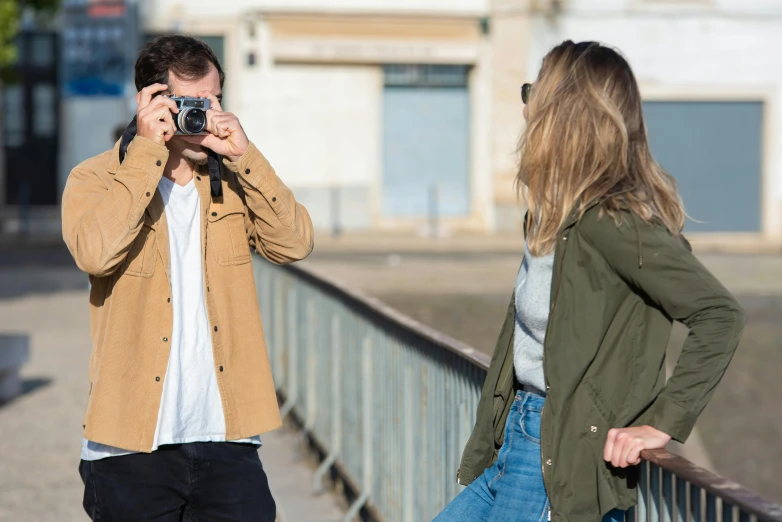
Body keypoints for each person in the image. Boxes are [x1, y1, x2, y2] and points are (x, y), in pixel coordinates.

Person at [434, 41, 745, 522]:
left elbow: (719, 314)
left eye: (533, 93)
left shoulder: (612, 222)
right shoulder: (550, 217)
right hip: (517, 439)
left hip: (557, 459)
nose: (524, 106)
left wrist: (660, 424)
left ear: (564, 114)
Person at [62, 35, 314, 521]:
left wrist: (246, 156)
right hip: (130, 445)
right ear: (152, 103)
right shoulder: (94, 180)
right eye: (194, 103)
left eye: (216, 100)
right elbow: (95, 253)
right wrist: (145, 157)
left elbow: (295, 244)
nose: (209, 115)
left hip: (228, 439)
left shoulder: (234, 183)